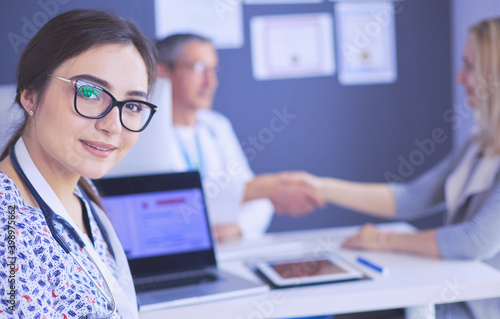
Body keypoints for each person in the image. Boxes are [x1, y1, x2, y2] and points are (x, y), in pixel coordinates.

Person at [290, 17, 500, 319]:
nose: (459, 77)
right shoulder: (478, 144)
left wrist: (384, 240)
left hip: (476, 307)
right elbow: (412, 197)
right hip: (450, 293)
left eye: (469, 66)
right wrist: (320, 187)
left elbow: (475, 241)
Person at [0, 9, 157, 318]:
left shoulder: (82, 199)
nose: (114, 125)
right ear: (30, 95)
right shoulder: (6, 223)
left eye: (134, 105)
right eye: (89, 92)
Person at [154, 34, 325, 242]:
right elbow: (169, 210)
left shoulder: (217, 126)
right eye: (198, 68)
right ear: (162, 71)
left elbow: (259, 202)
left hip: (228, 247)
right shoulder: (143, 135)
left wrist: (239, 227)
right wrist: (264, 188)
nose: (211, 82)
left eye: (213, 70)